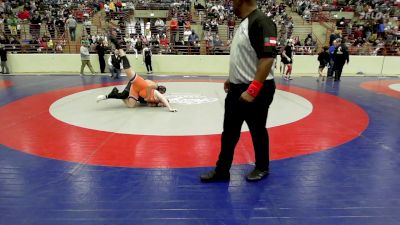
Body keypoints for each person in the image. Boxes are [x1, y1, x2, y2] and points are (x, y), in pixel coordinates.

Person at [200, 0, 277, 182]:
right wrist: (232, 78)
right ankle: (222, 170)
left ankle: (262, 167)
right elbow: (244, 56)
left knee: (257, 130)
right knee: (229, 132)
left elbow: (267, 58)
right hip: (238, 87)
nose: (231, 5)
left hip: (256, 88)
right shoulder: (244, 23)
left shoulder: (263, 22)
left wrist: (253, 90)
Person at [97, 49, 177, 112]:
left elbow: (149, 102)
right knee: (127, 76)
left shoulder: (154, 101)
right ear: (160, 91)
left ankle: (115, 92)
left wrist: (153, 103)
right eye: (162, 93)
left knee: (130, 105)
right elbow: (160, 96)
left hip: (138, 90)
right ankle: (123, 55)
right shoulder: (155, 89)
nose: (162, 105)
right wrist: (169, 108)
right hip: (140, 83)